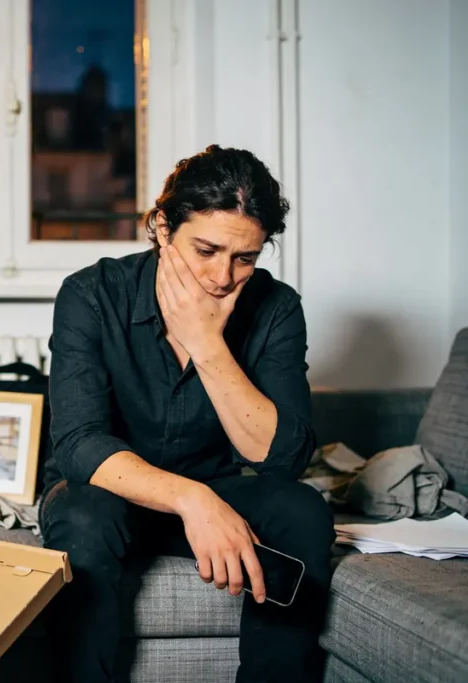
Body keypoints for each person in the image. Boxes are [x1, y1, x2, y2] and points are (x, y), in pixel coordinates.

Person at [41, 144, 335, 683]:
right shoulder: (90, 294)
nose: (223, 277)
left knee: (303, 510)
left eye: (244, 257)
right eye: (206, 250)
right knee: (82, 514)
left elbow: (282, 456)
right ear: (160, 228)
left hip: (217, 487)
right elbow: (80, 443)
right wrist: (191, 499)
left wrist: (207, 343)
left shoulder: (276, 308)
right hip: (109, 495)